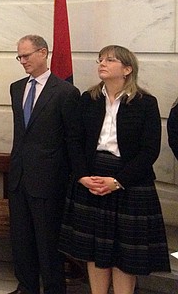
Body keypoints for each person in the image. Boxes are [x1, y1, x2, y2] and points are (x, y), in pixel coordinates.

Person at [59, 45, 170, 294]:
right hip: (92, 176)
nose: (102, 63)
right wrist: (82, 176)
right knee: (94, 250)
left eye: (110, 60)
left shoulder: (145, 103)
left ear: (127, 69)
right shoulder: (88, 99)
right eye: (100, 59)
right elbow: (74, 140)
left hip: (129, 182)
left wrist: (118, 181)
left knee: (125, 253)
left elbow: (149, 150)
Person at [7, 34, 80, 294]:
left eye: (26, 55)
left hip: (49, 180)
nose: (22, 61)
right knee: (21, 239)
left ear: (43, 53)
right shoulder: (17, 87)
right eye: (19, 56)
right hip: (18, 178)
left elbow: (72, 138)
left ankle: (52, 288)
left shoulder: (65, 92)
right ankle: (26, 286)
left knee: (48, 241)